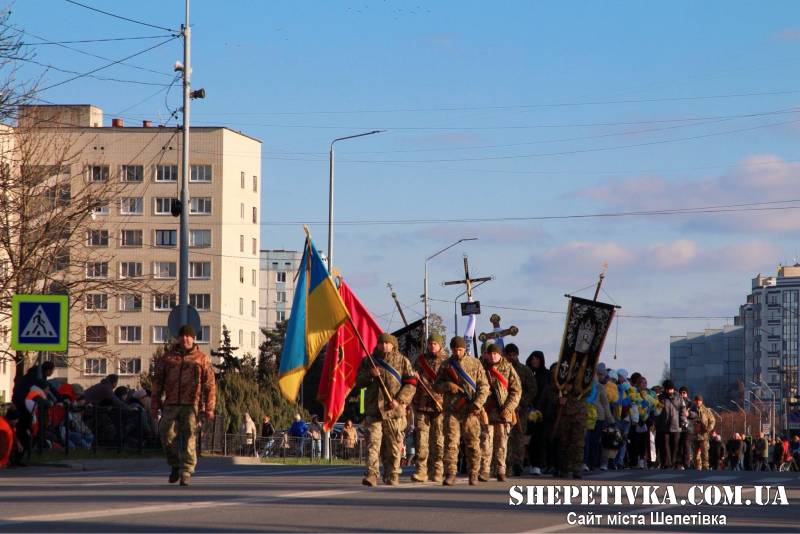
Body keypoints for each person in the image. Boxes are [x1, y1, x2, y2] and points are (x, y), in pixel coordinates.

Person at [150, 324, 216, 486]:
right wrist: (154, 404)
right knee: (165, 433)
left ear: (193, 338)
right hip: (171, 403)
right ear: (178, 338)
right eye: (182, 336)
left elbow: (210, 384)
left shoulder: (202, 358)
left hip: (191, 404)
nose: (185, 339)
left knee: (189, 437)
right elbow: (157, 383)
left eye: (188, 336)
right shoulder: (168, 358)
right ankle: (174, 464)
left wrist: (209, 407)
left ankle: (186, 470)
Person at [354, 332, 417, 487]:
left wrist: (400, 400)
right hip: (374, 410)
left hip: (393, 412)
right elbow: (358, 382)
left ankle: (392, 473)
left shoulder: (402, 361)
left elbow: (411, 383)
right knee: (373, 445)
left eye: (387, 343)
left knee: (393, 446)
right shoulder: (369, 361)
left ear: (393, 345)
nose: (384, 346)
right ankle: (372, 474)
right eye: (381, 343)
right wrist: (370, 374)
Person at [434, 336, 489, 486]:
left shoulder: (475, 363)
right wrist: (448, 386)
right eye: (455, 349)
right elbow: (436, 385)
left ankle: (473, 473)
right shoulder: (446, 365)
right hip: (452, 409)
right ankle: (450, 473)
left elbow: (484, 387)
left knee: (472, 443)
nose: (457, 352)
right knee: (451, 443)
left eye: (460, 349)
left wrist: (477, 404)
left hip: (470, 410)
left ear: (464, 349)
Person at [478, 343, 521, 482]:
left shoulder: (508, 368)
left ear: (500, 354)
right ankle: (485, 470)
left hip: (503, 412)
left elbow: (516, 390)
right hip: (487, 411)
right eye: (490, 354)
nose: (492, 356)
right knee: (485, 441)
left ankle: (501, 469)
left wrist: (508, 408)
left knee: (501, 442)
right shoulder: (482, 368)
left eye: (495, 354)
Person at [410, 333, 447, 483]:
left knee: (438, 441)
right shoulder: (420, 361)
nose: (432, 346)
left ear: (440, 345)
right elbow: (411, 381)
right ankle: (421, 471)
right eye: (430, 343)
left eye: (435, 344)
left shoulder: (447, 362)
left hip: (440, 407)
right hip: (422, 405)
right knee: (421, 441)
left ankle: (437, 470)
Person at [503, 343, 536, 477]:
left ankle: (518, 463)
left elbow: (532, 389)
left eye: (513, 355)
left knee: (519, 437)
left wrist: (522, 402)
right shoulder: (502, 369)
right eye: (509, 355)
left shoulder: (524, 370)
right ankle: (506, 464)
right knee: (506, 436)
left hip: (520, 410)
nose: (511, 357)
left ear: (517, 355)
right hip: (505, 408)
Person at [525, 350, 550, 475]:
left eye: (537, 359)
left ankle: (538, 464)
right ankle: (528, 462)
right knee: (527, 439)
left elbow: (546, 393)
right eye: (533, 358)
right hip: (527, 409)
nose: (535, 361)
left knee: (539, 439)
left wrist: (539, 409)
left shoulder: (546, 374)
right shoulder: (527, 372)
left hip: (542, 412)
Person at [657, 380, 681, 468]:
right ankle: (667, 463)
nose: (670, 391)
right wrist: (658, 422)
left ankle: (674, 462)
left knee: (675, 445)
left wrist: (682, 422)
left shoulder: (678, 397)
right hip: (664, 425)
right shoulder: (661, 398)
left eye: (671, 389)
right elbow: (657, 411)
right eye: (668, 389)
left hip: (676, 425)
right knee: (665, 444)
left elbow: (682, 410)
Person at [690, 395, 715, 470]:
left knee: (705, 455)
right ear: (695, 401)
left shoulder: (706, 411)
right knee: (695, 456)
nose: (698, 402)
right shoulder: (691, 410)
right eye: (697, 400)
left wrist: (709, 428)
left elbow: (712, 420)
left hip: (704, 436)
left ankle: (705, 470)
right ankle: (697, 469)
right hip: (694, 436)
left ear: (702, 401)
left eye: (699, 400)